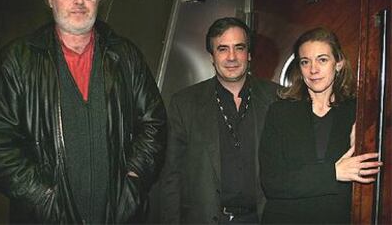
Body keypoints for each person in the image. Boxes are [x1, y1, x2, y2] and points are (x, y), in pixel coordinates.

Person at [0, 0, 167, 224]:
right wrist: (43, 198)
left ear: (98, 0)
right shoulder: (16, 61)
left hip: (118, 215)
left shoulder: (125, 56)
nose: (79, 0)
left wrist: (134, 180)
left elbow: (154, 123)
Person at [160, 17, 279, 224]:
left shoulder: (277, 98)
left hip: (263, 218)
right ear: (212, 57)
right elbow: (171, 175)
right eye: (223, 49)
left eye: (239, 48)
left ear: (249, 54)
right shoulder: (184, 103)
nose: (231, 57)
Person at [259, 27, 383, 224]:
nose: (313, 69)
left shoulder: (360, 113)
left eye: (322, 60)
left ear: (339, 63)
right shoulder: (280, 112)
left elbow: (373, 181)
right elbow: (272, 183)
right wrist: (334, 173)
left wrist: (363, 142)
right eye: (305, 62)